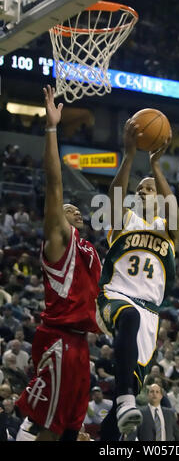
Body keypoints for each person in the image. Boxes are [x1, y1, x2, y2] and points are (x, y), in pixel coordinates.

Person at [15, 85, 102, 442]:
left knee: (69, 431)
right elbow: (54, 185)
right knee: (49, 429)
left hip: (81, 345)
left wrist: (128, 154)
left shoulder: (90, 252)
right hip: (60, 340)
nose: (73, 209)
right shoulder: (58, 240)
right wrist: (52, 129)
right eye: (67, 209)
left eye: (76, 209)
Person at [97, 118, 179, 439]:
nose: (142, 192)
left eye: (149, 189)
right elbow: (115, 195)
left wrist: (157, 167)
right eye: (140, 189)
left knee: (127, 397)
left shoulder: (167, 227)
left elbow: (175, 212)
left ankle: (108, 435)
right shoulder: (126, 219)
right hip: (116, 295)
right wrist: (130, 155)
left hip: (150, 314)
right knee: (127, 316)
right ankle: (125, 398)